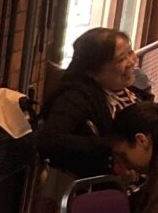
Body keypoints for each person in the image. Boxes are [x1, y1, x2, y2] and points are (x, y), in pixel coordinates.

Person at [35, 27, 139, 177]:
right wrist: (114, 146)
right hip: (93, 190)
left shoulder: (130, 92)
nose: (131, 61)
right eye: (121, 59)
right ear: (93, 73)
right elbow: (49, 140)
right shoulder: (75, 97)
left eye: (130, 52)